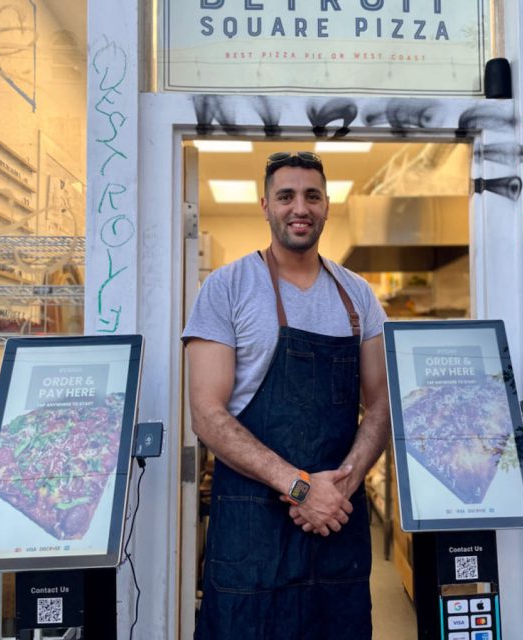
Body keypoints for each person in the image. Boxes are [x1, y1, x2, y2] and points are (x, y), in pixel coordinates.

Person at [182, 150, 391, 640]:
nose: (301, 207)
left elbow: (380, 405)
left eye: (312, 196)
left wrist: (339, 487)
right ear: (266, 205)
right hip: (252, 531)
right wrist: (302, 488)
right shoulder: (226, 288)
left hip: (335, 527)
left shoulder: (357, 295)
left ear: (326, 205)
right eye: (287, 196)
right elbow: (207, 415)